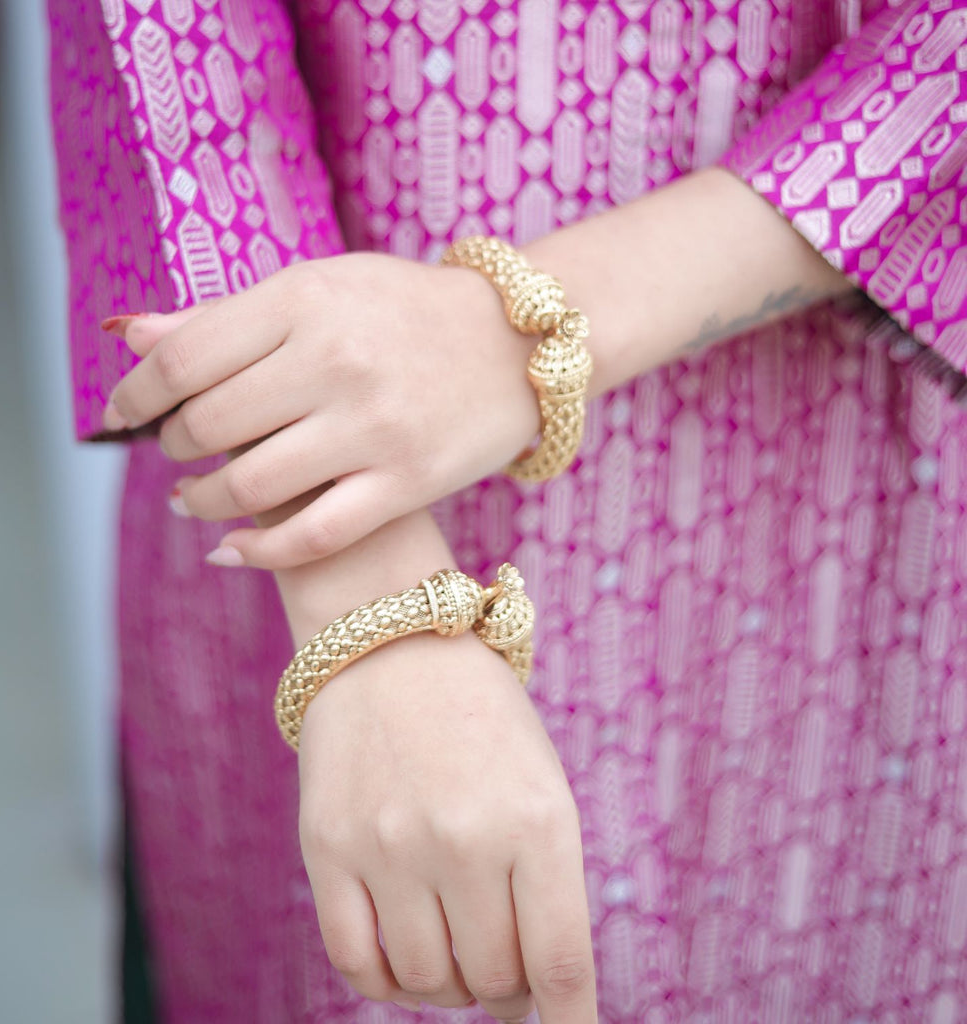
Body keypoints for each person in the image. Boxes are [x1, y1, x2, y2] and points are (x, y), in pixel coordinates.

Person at [47, 0, 967, 1020]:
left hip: (855, 488)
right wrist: (374, 615)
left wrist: (521, 331)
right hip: (312, 487)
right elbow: (162, 52)